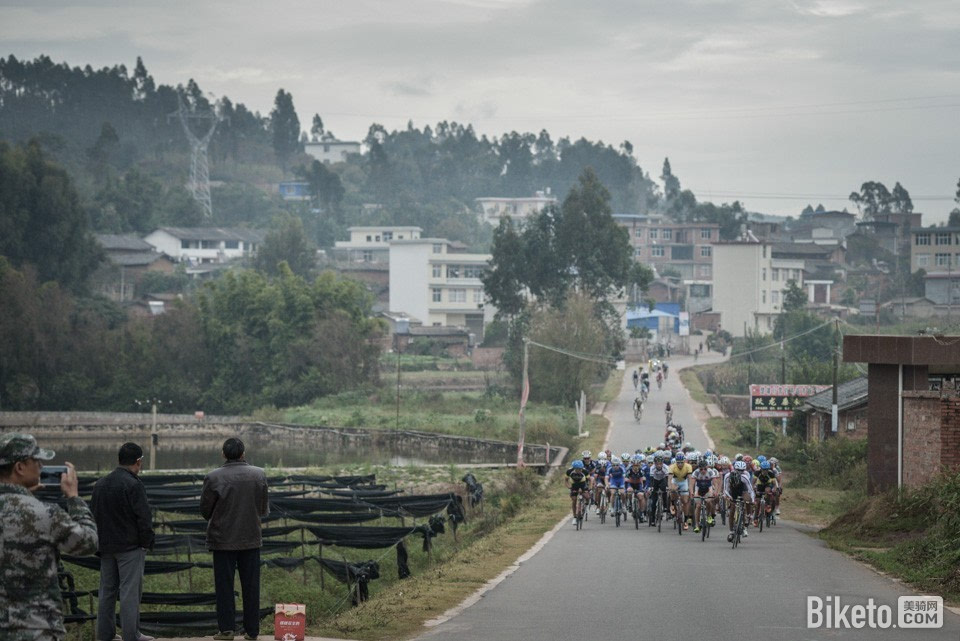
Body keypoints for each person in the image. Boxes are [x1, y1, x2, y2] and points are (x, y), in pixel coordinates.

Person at [0, 433, 99, 641]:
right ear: (19, 467)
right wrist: (74, 498)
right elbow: (88, 542)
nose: (41, 467)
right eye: (37, 461)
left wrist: (24, 496)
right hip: (37, 630)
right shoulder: (45, 513)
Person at [201, 438, 269, 641]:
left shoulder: (213, 477)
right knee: (251, 585)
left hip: (222, 539)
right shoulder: (259, 474)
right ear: (243, 453)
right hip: (251, 538)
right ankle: (252, 631)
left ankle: (227, 630)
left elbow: (206, 510)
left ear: (223, 454)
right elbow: (263, 508)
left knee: (224, 586)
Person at [91, 443, 156, 641]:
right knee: (129, 593)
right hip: (130, 547)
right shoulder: (134, 484)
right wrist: (146, 542)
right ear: (138, 462)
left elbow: (93, 515)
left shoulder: (100, 484)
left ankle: (105, 635)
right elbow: (144, 518)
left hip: (106, 546)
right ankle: (132, 635)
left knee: (107, 592)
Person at [668, 452, 693, 529]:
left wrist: (690, 489)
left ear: (684, 461)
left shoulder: (688, 466)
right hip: (675, 481)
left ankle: (685, 521)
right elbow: (669, 479)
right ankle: (672, 504)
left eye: (681, 462)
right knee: (673, 490)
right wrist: (670, 487)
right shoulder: (672, 467)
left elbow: (690, 479)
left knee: (685, 501)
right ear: (676, 462)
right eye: (678, 462)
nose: (680, 464)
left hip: (683, 481)